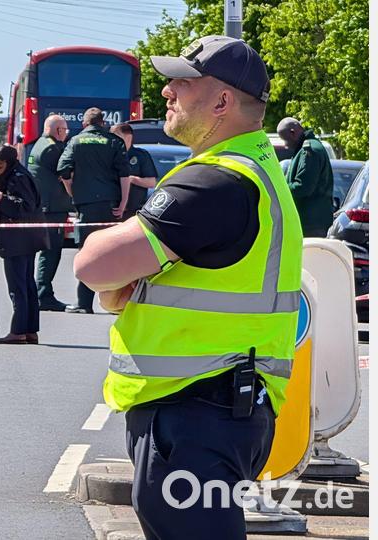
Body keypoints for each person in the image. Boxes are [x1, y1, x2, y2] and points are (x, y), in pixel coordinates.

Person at [74, 36, 301, 540]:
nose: (167, 90)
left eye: (183, 81)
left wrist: (122, 272)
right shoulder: (250, 170)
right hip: (216, 408)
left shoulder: (216, 183)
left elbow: (93, 267)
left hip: (196, 412)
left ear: (222, 102)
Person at [56, 107, 131, 314]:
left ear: (84, 124)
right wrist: (123, 203)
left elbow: (63, 169)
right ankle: (114, 301)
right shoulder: (114, 141)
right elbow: (124, 174)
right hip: (110, 204)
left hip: (86, 206)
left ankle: (84, 303)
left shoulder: (76, 141)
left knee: (87, 252)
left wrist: (72, 192)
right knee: (111, 251)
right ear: (103, 123)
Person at [0, 145, 49, 344]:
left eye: (0, 166)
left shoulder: (19, 178)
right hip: (26, 238)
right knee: (27, 285)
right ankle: (30, 330)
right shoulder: (18, 174)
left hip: (18, 239)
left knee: (18, 286)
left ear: (9, 163)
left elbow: (24, 207)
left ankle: (18, 331)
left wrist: (0, 199)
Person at [27, 113, 73, 312]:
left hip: (45, 206)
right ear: (58, 131)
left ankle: (41, 292)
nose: (67, 134)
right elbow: (66, 173)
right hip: (53, 208)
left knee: (47, 251)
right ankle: (43, 294)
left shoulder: (39, 144)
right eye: (65, 130)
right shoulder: (53, 149)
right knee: (51, 252)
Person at [277, 117, 334, 237]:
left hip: (311, 223)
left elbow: (303, 187)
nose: (286, 145)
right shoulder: (307, 147)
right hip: (312, 221)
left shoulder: (309, 151)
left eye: (285, 139)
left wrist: (280, 188)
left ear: (293, 132)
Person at [110, 122, 159, 220]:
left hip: (134, 211)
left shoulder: (141, 156)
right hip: (112, 209)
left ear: (128, 137)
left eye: (115, 136)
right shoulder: (109, 155)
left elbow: (152, 182)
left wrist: (132, 179)